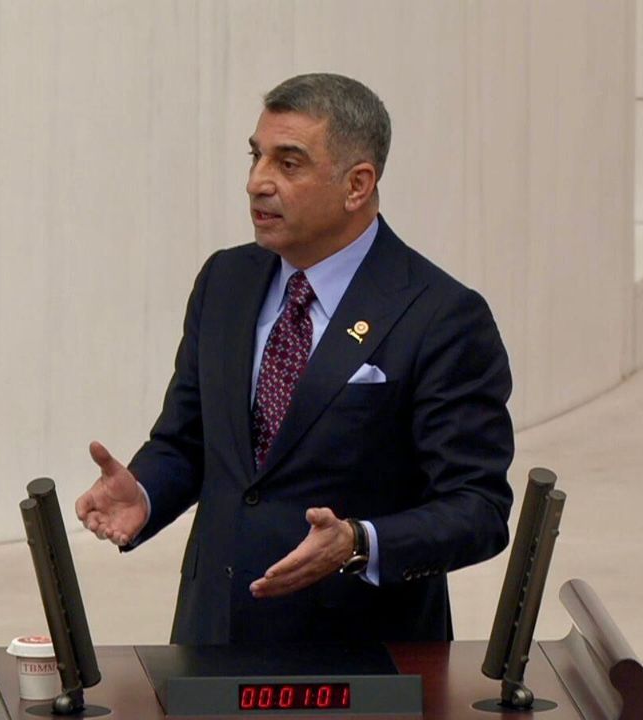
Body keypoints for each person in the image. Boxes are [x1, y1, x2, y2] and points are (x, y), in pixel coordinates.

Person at [75, 73, 514, 645]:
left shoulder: (440, 315)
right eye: (256, 157)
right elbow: (190, 441)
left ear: (357, 185)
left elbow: (477, 508)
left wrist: (359, 543)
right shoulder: (225, 281)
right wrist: (146, 492)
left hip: (360, 658)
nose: (257, 182)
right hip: (212, 643)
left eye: (288, 163)